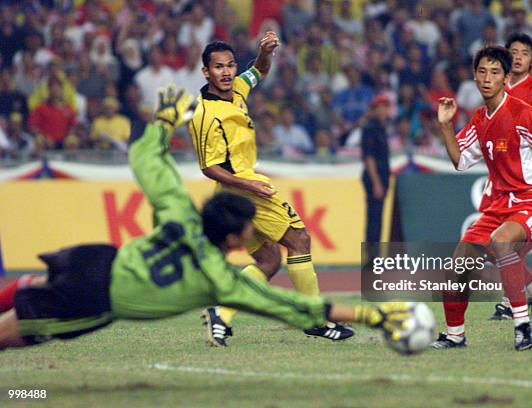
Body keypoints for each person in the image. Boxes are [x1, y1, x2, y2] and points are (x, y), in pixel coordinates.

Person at [0, 86, 410, 351]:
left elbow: (146, 161)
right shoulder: (217, 279)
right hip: (92, 301)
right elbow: (290, 307)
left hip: (93, 259)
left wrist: (162, 123)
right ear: (234, 239)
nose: (252, 233)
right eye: (248, 229)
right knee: (15, 338)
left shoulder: (180, 214)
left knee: (32, 286)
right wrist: (371, 315)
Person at [188, 34, 354, 346]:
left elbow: (259, 71)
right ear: (206, 72)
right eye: (218, 67)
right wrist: (248, 183)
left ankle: (221, 315)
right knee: (299, 239)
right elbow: (208, 167)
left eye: (230, 66)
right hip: (243, 190)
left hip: (241, 190)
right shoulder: (205, 116)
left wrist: (264, 53)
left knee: (268, 260)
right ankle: (314, 318)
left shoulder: (237, 87)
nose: (226, 72)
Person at [431, 46, 532, 351]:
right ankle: (455, 335)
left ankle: (522, 325)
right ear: (474, 75)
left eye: (495, 72)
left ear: (505, 77)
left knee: (501, 243)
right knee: (456, 268)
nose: (487, 78)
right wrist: (445, 125)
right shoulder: (480, 119)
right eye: (482, 72)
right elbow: (460, 161)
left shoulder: (524, 112)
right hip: (498, 207)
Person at [486, 33, 532, 321]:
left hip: (528, 181)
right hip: (504, 178)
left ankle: (509, 302)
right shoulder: (498, 88)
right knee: (502, 247)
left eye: (523, 53)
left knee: (506, 246)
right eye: (513, 51)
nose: (517, 57)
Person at [361, 95, 391, 245]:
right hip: (375, 178)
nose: (385, 111)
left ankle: (375, 256)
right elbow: (369, 158)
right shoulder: (370, 129)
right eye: (382, 107)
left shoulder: (381, 128)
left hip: (382, 177)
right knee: (374, 219)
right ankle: (372, 257)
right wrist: (376, 182)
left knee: (377, 218)